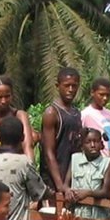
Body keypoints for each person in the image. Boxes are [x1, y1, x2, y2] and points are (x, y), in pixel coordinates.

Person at [67, 127, 110, 220]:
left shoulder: (107, 163)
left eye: (96, 141)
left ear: (101, 144)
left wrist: (88, 193)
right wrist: (67, 190)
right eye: (88, 142)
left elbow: (106, 191)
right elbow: (65, 183)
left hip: (97, 217)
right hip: (78, 215)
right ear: (82, 144)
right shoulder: (75, 159)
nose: (92, 145)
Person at [39, 67, 83, 197]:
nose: (70, 89)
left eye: (74, 86)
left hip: (71, 178)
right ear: (58, 86)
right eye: (67, 85)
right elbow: (48, 153)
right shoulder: (52, 113)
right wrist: (60, 186)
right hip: (54, 181)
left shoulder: (76, 113)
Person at [80, 77, 110, 155]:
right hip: (95, 161)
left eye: (108, 95)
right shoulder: (86, 114)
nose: (105, 98)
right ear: (92, 92)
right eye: (101, 94)